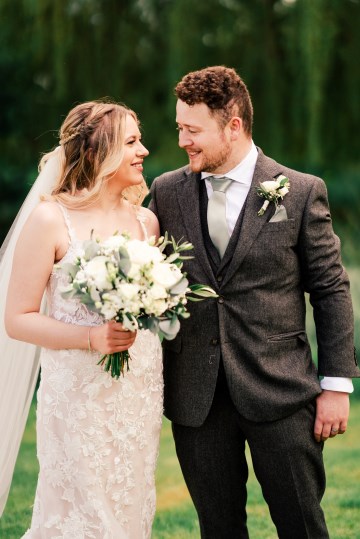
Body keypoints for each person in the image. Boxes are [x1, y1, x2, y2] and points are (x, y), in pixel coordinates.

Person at [149, 66, 360, 538]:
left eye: (193, 130)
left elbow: (330, 290)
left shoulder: (302, 191)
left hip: (281, 391)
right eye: (179, 127)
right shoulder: (165, 192)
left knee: (302, 525)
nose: (183, 140)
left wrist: (336, 386)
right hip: (197, 398)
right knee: (218, 529)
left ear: (234, 127)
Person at [1, 100, 163, 538]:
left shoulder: (147, 223)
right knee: (82, 513)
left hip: (137, 391)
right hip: (77, 398)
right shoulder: (51, 219)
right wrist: (91, 336)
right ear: (96, 153)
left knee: (129, 506)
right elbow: (17, 319)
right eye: (131, 142)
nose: (143, 150)